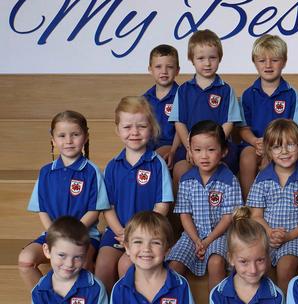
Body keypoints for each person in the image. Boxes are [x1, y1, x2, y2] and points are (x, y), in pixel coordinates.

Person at [19, 111, 109, 288]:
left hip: (84, 235)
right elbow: (42, 209)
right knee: (25, 260)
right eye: (62, 136)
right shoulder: (46, 172)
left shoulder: (92, 172)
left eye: (75, 135)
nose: (68, 141)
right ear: (53, 139)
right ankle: (47, 303)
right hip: (52, 234)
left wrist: (72, 234)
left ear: (85, 137)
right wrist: (55, 234)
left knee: (82, 264)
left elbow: (94, 210)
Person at [95, 96, 173, 293]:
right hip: (117, 232)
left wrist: (137, 235)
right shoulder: (112, 166)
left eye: (141, 126)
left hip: (147, 234)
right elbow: (108, 206)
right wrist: (121, 232)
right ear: (118, 130)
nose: (134, 132)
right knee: (103, 265)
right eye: (127, 127)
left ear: (152, 128)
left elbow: (162, 205)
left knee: (126, 265)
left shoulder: (157, 164)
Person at [167, 121, 243, 290]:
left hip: (220, 234)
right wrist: (196, 240)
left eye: (211, 150)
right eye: (198, 150)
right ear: (190, 152)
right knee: (174, 265)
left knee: (216, 262)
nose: (204, 156)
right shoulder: (187, 180)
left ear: (223, 151)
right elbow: (185, 215)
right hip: (192, 234)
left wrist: (207, 241)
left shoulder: (229, 181)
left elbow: (228, 218)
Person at [247, 118, 298, 293]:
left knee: (285, 266)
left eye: (290, 145)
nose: (284, 151)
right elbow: (256, 216)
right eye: (277, 147)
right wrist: (270, 232)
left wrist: (289, 235)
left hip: (296, 236)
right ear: (269, 150)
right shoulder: (263, 179)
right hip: (268, 235)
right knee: (262, 263)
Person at [168, 29, 242, 182]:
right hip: (191, 147)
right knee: (180, 169)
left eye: (212, 58)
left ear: (220, 58)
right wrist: (190, 148)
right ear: (192, 59)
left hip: (219, 147)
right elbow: (179, 122)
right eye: (201, 58)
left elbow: (229, 123)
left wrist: (215, 147)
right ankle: (180, 206)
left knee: (223, 171)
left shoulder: (226, 90)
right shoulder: (184, 90)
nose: (207, 63)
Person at [239, 34, 298, 199]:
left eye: (274, 60)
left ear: (284, 61)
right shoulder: (248, 94)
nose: (268, 65)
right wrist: (255, 141)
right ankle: (249, 206)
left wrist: (283, 146)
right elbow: (243, 128)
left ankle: (270, 204)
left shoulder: (291, 94)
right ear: (254, 62)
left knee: (271, 159)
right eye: (262, 61)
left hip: (283, 145)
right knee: (247, 157)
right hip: (255, 144)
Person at [143, 44, 181, 166]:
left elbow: (183, 128)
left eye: (169, 67)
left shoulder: (182, 96)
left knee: (154, 159)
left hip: (173, 145)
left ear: (177, 70)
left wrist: (173, 149)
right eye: (158, 66)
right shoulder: (144, 99)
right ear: (150, 69)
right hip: (147, 145)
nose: (164, 71)